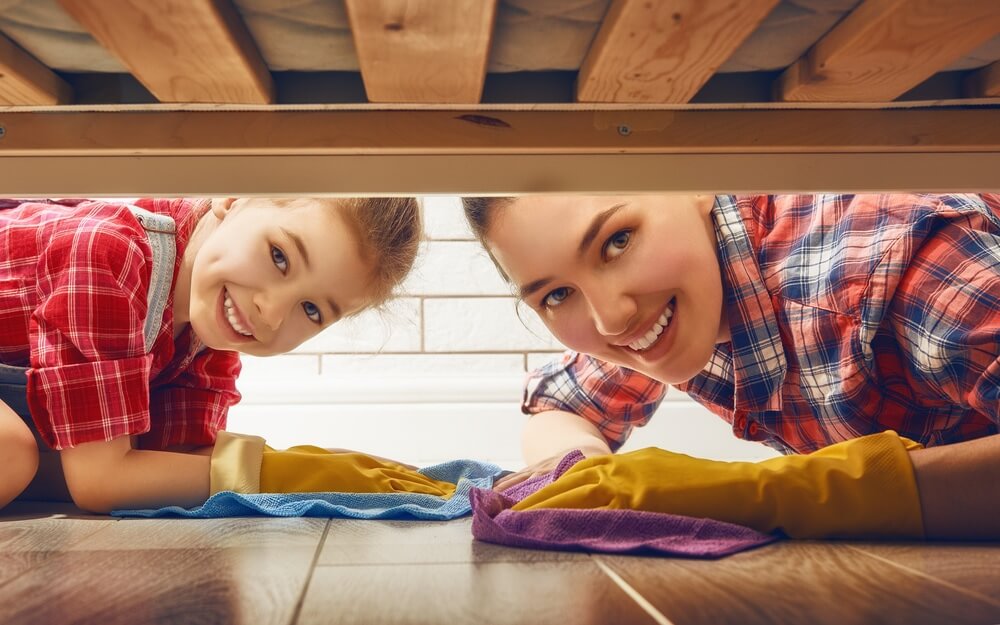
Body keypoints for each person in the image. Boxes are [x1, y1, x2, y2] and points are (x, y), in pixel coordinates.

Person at [462, 193, 1000, 539]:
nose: (609, 319)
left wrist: (770, 491)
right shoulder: (672, 297)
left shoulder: (890, 269)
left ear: (699, 179)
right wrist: (587, 475)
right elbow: (562, 405)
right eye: (556, 295)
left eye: (618, 241)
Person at [0, 196, 422, 513]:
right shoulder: (109, 253)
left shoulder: (205, 340)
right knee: (13, 453)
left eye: (311, 310)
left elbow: (173, 464)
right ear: (234, 197)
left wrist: (349, 469)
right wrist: (290, 476)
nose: (271, 315)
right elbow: (101, 481)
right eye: (279, 257)